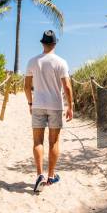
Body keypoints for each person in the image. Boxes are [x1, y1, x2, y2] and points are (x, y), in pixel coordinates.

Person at [24, 30, 74, 193]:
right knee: (54, 142)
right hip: (55, 106)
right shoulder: (61, 62)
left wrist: (30, 103)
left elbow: (26, 86)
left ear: (42, 43)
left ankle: (40, 175)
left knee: (38, 141)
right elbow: (66, 86)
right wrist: (70, 106)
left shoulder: (32, 61)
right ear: (55, 44)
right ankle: (51, 176)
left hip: (38, 105)